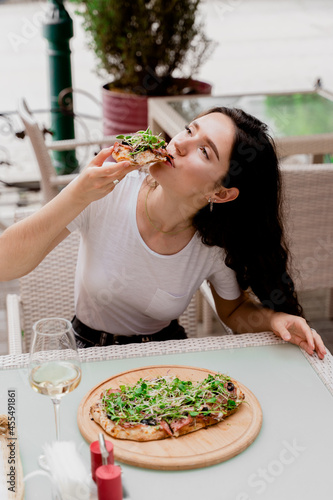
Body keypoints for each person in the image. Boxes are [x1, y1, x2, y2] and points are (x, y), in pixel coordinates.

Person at [0, 107, 327, 358]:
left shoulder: (212, 243)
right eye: (189, 129)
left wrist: (273, 320)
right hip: (88, 352)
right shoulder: (107, 193)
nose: (181, 143)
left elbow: (234, 311)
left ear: (221, 193)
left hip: (167, 355)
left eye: (204, 151)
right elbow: (5, 264)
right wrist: (77, 194)